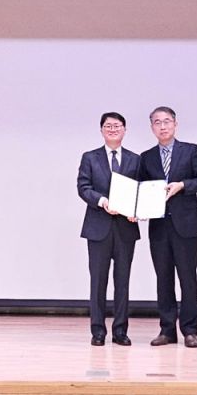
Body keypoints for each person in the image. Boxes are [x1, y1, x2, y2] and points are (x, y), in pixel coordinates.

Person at [139, 106, 197, 348]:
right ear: (152, 127)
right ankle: (167, 330)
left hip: (186, 225)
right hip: (159, 226)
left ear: (175, 124)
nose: (163, 126)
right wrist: (138, 209)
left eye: (167, 121)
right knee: (163, 279)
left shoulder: (191, 150)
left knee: (187, 278)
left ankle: (190, 330)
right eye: (157, 122)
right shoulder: (146, 157)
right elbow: (141, 189)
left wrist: (183, 185)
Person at [76, 111, 141, 346]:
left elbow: (140, 190)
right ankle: (98, 331)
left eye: (117, 126)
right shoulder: (90, 157)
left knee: (122, 282)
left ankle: (120, 331)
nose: (113, 129)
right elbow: (83, 187)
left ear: (125, 129)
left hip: (125, 228)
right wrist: (103, 201)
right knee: (98, 282)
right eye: (108, 126)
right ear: (102, 130)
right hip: (98, 228)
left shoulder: (135, 159)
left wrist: (138, 209)